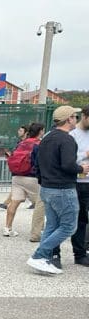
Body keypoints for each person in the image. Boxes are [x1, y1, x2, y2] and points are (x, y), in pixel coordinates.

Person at [27, 106, 88, 274]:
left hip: (47, 187)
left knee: (52, 225)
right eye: (75, 116)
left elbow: (38, 164)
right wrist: (81, 168)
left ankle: (44, 258)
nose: (76, 119)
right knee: (69, 226)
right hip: (63, 188)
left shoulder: (46, 138)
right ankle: (38, 255)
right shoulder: (67, 139)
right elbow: (68, 164)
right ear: (69, 119)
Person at [4, 123, 44, 240]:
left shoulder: (21, 143)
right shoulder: (39, 144)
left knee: (14, 202)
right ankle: (38, 231)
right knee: (40, 205)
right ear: (40, 131)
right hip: (32, 177)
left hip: (16, 176)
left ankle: (7, 228)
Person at [69, 105, 89, 266]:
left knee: (84, 219)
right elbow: (67, 159)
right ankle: (79, 252)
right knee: (78, 218)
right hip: (77, 181)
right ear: (84, 116)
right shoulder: (72, 134)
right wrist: (85, 155)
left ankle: (83, 250)